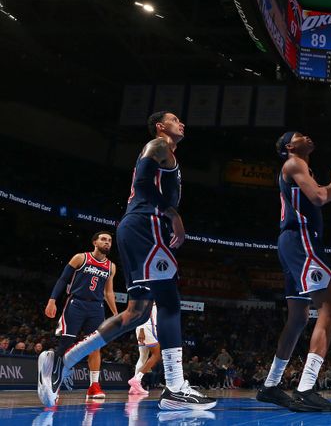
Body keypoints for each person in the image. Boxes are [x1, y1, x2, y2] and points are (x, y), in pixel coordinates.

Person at [37, 111, 216, 410]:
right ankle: (174, 387)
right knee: (170, 303)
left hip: (139, 227)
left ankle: (63, 362)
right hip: (147, 226)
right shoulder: (158, 145)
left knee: (138, 314)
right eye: (174, 119)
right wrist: (173, 214)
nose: (181, 123)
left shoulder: (167, 153)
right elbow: (144, 183)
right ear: (161, 127)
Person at [256, 129, 331, 412]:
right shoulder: (294, 164)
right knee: (329, 310)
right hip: (301, 240)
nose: (307, 136)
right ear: (289, 146)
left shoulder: (303, 169)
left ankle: (270, 385)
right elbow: (321, 197)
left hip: (292, 242)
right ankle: (306, 387)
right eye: (300, 135)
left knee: (298, 318)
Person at [44, 231, 118, 400]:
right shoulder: (80, 258)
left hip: (96, 308)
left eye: (109, 241)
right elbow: (63, 279)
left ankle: (94, 386)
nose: (107, 243)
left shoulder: (111, 267)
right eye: (103, 239)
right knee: (66, 342)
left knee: (95, 346)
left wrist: (115, 314)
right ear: (94, 242)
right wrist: (52, 300)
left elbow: (108, 292)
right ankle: (54, 382)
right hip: (76, 304)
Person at [128, 303, 161, 395]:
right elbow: (142, 312)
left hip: (141, 327)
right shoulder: (149, 294)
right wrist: (142, 329)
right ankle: (137, 379)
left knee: (143, 357)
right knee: (156, 355)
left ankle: (133, 387)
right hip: (146, 327)